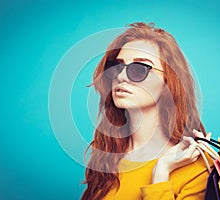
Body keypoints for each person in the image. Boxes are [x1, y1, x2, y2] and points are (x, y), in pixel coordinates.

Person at [81, 22, 211, 200]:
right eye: (117, 67)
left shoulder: (196, 167)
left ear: (168, 82)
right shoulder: (108, 156)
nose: (121, 76)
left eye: (139, 69)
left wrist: (161, 173)